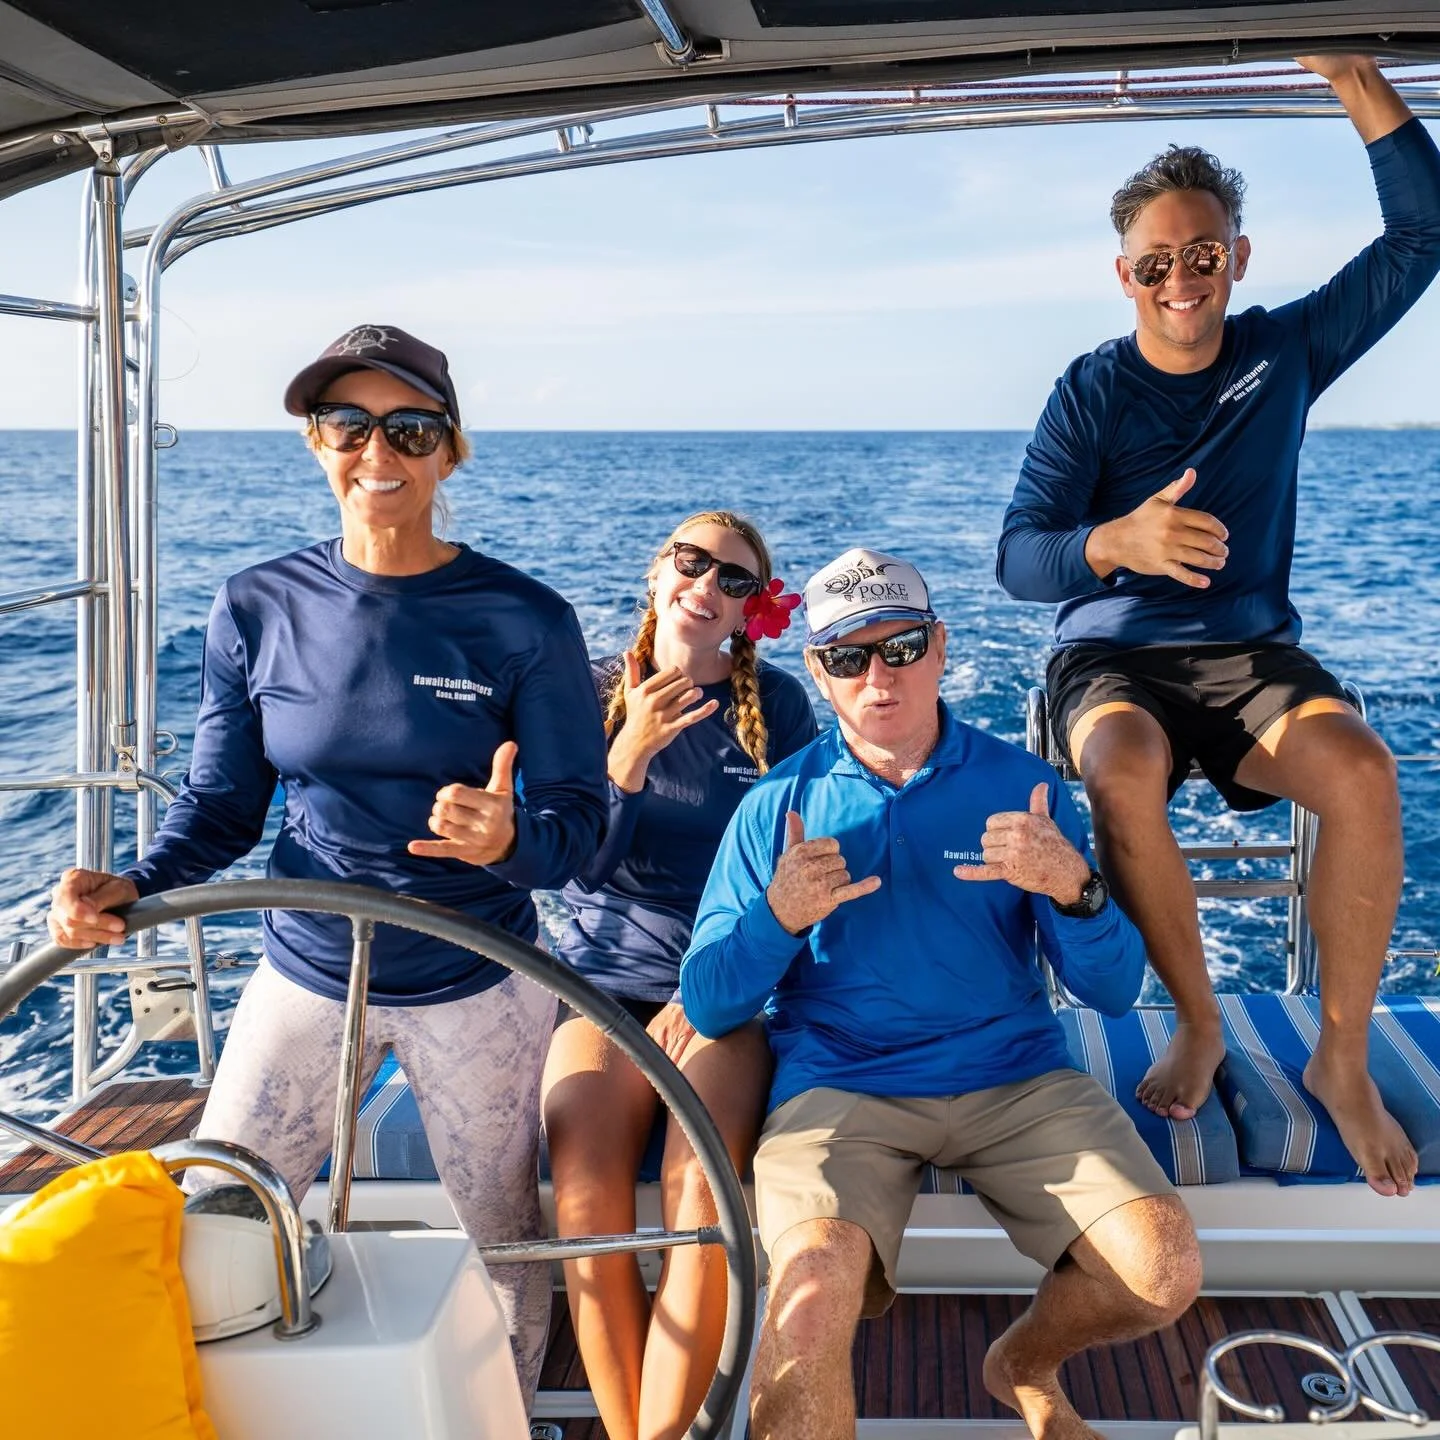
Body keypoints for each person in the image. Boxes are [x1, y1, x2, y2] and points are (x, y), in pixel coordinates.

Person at [45, 324, 609, 1406]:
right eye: (348, 424)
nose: (377, 451)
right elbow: (220, 806)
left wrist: (512, 839)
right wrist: (138, 884)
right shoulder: (255, 606)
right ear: (314, 442)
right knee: (217, 1213)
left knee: (502, 1236)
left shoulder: (524, 620)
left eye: (409, 427)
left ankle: (508, 1416)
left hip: (475, 979)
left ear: (450, 451)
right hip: (305, 968)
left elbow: (581, 828)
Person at [996, 56, 1440, 1196]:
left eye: (1203, 257)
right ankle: (1197, 1020)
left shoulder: (1283, 351)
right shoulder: (1092, 391)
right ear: (1124, 274)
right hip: (1110, 658)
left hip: (1249, 655)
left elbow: (1419, 237)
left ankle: (1341, 1060)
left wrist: (1350, 73)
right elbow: (1018, 559)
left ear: (1235, 259)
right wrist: (1117, 543)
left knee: (1364, 774)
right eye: (1157, 264)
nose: (1181, 281)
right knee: (1124, 769)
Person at [680, 548, 1201, 1440]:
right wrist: (777, 917)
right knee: (806, 1305)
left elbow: (1113, 992)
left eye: (901, 647)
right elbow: (710, 1004)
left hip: (1015, 1078)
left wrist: (1074, 886)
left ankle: (1025, 1362)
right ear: (817, 671)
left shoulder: (1023, 787)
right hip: (842, 1087)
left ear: (940, 647)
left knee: (1163, 1271)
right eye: (847, 658)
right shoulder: (777, 805)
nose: (878, 677)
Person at [543, 510, 816, 1440]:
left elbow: (792, 879)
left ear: (750, 611)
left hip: (729, 988)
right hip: (601, 983)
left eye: (735, 579)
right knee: (586, 1197)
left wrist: (715, 995)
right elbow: (571, 867)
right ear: (657, 575)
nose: (708, 584)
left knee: (702, 1196)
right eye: (692, 562)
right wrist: (623, 765)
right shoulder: (582, 695)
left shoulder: (776, 708)